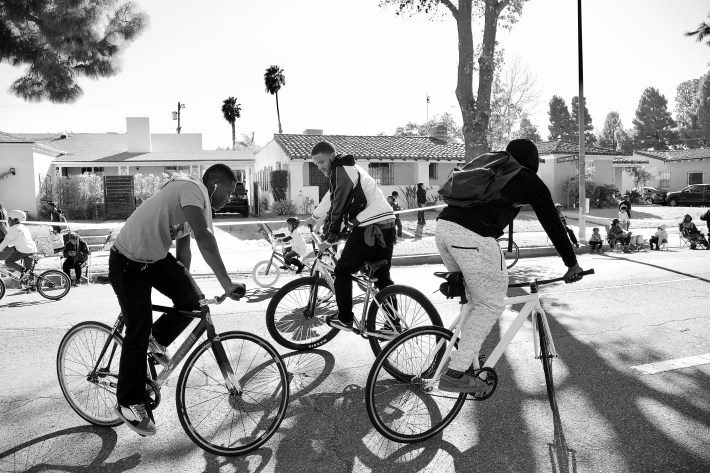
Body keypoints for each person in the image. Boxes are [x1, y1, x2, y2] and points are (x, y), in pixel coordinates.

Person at [435, 139, 584, 394]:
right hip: (473, 237)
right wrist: (571, 263)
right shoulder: (527, 179)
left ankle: (467, 357)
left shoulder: (492, 169)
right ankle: (455, 373)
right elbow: (552, 223)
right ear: (533, 160)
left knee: (475, 300)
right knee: (491, 303)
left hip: (443, 229)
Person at [109, 164, 246, 437]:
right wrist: (227, 283)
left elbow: (184, 252)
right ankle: (127, 402)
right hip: (127, 262)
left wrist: (187, 290)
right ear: (216, 185)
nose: (229, 199)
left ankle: (155, 338)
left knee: (194, 302)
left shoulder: (194, 200)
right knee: (139, 327)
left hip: (155, 260)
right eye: (229, 193)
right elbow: (205, 238)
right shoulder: (193, 189)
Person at [305, 141, 396, 331]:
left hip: (371, 226)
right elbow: (331, 198)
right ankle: (393, 324)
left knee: (342, 270)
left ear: (331, 156)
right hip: (387, 223)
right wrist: (314, 218)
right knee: (381, 277)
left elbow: (337, 206)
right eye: (316, 164)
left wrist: (330, 238)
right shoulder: (347, 169)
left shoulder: (342, 171)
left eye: (321, 162)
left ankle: (345, 318)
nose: (320, 167)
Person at [0, 210, 38, 284]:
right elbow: (17, 240)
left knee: (8, 262)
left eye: (9, 219)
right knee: (28, 271)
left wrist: (1, 247)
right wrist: (8, 245)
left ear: (15, 220)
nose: (8, 221)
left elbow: (5, 241)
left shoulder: (14, 228)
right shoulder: (24, 227)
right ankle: (31, 286)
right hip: (32, 249)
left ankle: (23, 271)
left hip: (23, 250)